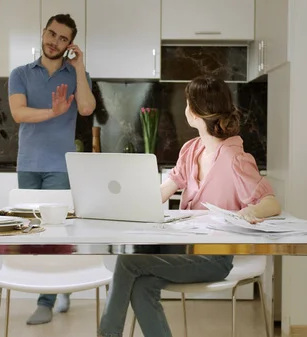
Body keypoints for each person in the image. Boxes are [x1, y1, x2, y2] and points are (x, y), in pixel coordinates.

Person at [97, 75, 281, 337]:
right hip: (182, 249)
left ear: (195, 113)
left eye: (186, 103)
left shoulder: (235, 159)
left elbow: (271, 202)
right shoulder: (191, 150)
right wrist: (124, 204)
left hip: (213, 257)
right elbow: (166, 189)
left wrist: (248, 211)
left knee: (127, 262)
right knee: (142, 286)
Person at [8, 13, 96, 325]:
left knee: (55, 233)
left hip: (60, 166)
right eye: (51, 34)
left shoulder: (73, 76)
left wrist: (80, 68)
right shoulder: (20, 74)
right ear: (43, 32)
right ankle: (52, 288)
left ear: (69, 44)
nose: (54, 41)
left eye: (62, 38)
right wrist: (53, 112)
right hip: (29, 164)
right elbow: (18, 113)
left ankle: (46, 300)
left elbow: (86, 108)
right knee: (32, 234)